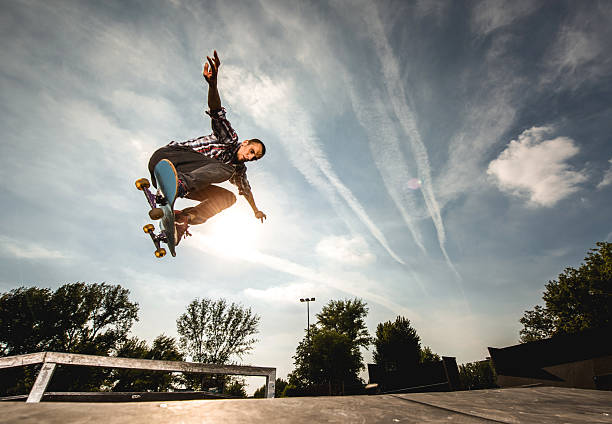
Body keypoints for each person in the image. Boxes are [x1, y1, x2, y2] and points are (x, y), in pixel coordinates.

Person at [148, 50, 267, 244]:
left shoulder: (239, 170)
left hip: (183, 180)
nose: (250, 157)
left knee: (228, 198)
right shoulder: (229, 139)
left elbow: (246, 190)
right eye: (252, 151)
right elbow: (216, 112)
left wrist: (255, 210)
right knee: (226, 170)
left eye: (255, 158)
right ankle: (179, 184)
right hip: (170, 158)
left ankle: (183, 217)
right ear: (245, 143)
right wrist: (213, 85)